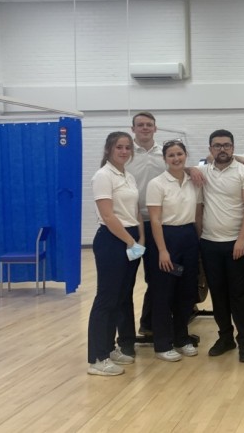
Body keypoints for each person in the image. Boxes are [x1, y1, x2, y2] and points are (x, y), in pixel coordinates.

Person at [199, 130, 244, 363]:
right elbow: (181, 167)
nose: (222, 149)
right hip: (210, 244)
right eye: (217, 146)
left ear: (233, 148)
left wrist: (242, 239)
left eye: (226, 145)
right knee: (218, 295)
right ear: (211, 149)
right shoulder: (203, 172)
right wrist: (193, 168)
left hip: (237, 244)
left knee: (239, 295)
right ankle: (225, 337)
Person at [87, 132, 144, 376]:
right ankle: (97, 358)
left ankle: (110, 349)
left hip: (130, 238)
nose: (123, 151)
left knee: (122, 298)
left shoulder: (128, 176)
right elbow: (109, 216)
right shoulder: (103, 176)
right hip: (113, 240)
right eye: (119, 147)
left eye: (127, 147)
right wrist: (130, 241)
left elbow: (135, 211)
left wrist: (140, 237)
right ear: (109, 149)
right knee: (106, 299)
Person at [145, 139, 202, 362]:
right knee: (163, 293)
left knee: (186, 293)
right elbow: (155, 220)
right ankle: (162, 343)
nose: (176, 158)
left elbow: (197, 215)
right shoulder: (157, 184)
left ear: (185, 155)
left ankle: (182, 338)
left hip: (188, 237)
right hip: (165, 238)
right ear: (165, 159)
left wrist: (198, 242)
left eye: (179, 154)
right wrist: (162, 250)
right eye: (171, 155)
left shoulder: (193, 181)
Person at [124, 112, 164, 349]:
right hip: (130, 227)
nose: (145, 128)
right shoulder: (125, 155)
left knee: (157, 278)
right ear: (133, 128)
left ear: (155, 129)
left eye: (149, 125)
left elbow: (182, 169)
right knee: (126, 281)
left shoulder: (165, 153)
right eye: (141, 125)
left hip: (157, 225)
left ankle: (149, 324)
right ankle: (125, 337)